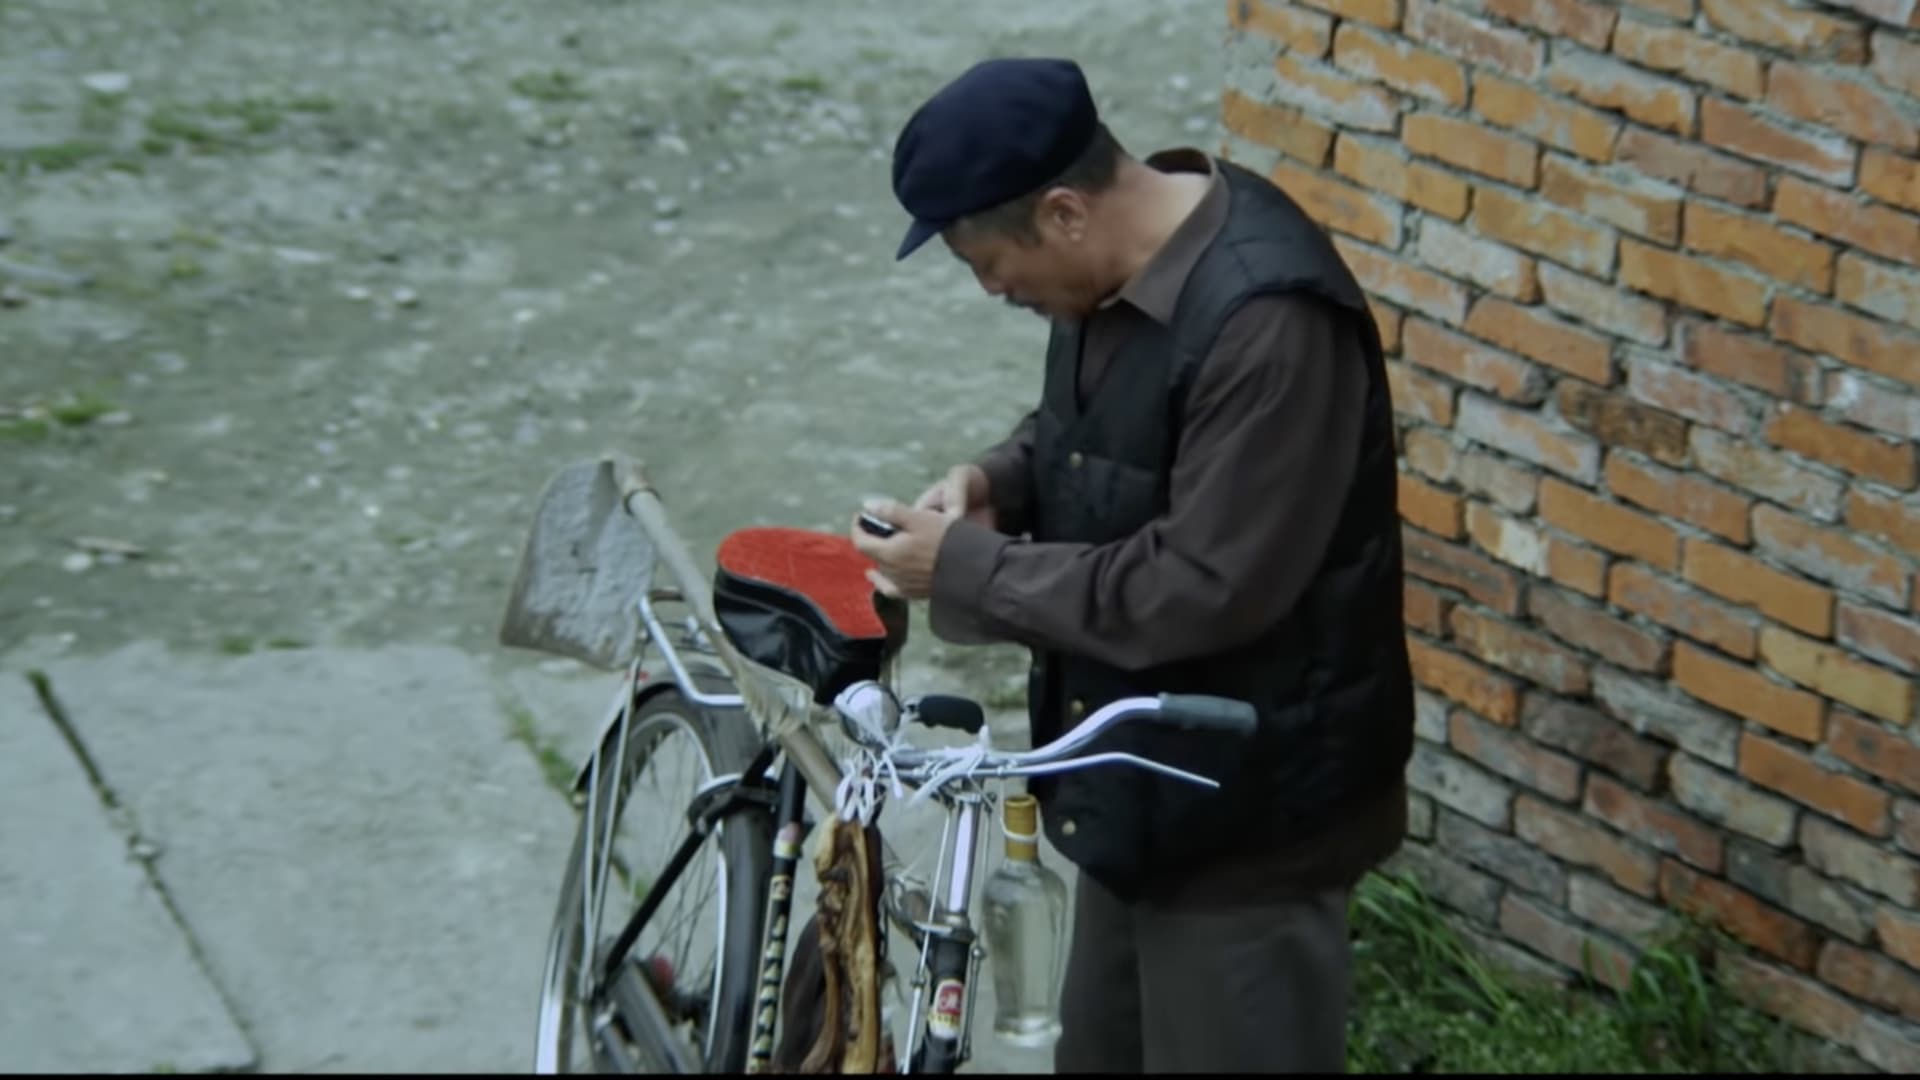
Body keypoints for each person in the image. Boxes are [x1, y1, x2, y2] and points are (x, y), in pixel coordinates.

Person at [849, 56, 1417, 1073]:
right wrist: (999, 481)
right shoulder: (1114, 270)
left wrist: (968, 569)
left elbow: (1199, 586)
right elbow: (1104, 430)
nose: (990, 288)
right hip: (1137, 786)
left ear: (1064, 212)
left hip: (1250, 822)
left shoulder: (1269, 322)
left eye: (987, 263)